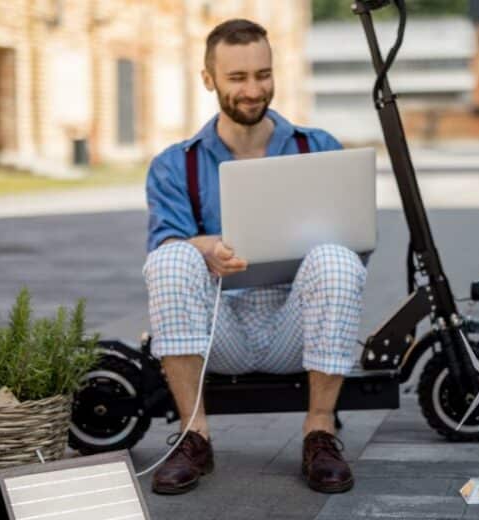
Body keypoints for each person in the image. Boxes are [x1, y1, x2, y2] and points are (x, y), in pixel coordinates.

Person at [142, 19, 366, 496]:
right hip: (217, 330)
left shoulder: (318, 149)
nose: (253, 89)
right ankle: (193, 436)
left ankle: (320, 431)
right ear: (209, 80)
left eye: (262, 74)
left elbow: (352, 239)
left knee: (339, 257)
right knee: (171, 258)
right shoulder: (174, 163)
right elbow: (165, 244)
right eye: (237, 77)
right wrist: (204, 246)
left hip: (296, 325)